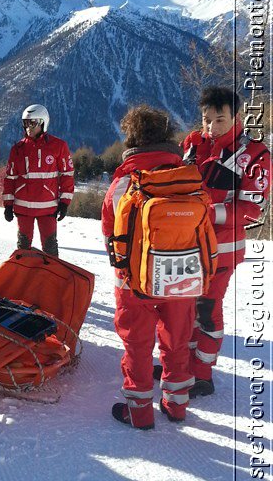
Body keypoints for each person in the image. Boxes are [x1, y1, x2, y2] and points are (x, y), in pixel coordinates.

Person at [102, 106, 197, 429]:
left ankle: (140, 413)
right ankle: (177, 405)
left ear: (132, 138)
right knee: (177, 341)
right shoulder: (187, 178)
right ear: (168, 137)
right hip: (182, 275)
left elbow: (109, 232)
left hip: (134, 281)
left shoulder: (123, 182)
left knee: (138, 346)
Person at [182, 86, 271, 396]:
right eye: (206, 120)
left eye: (219, 120)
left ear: (236, 117)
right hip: (187, 245)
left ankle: (202, 375)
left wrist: (207, 212)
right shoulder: (194, 143)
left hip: (222, 249)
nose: (211, 127)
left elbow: (252, 210)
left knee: (207, 310)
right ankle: (182, 366)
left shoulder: (256, 154)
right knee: (184, 308)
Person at [2, 104, 74, 257]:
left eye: (32, 122)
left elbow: (67, 174)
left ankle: (53, 279)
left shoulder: (58, 146)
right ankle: (23, 279)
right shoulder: (18, 149)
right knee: (23, 248)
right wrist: (8, 205)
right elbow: (10, 179)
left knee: (50, 249)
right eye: (25, 123)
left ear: (43, 123)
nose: (28, 127)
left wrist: (64, 202)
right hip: (23, 208)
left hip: (48, 208)